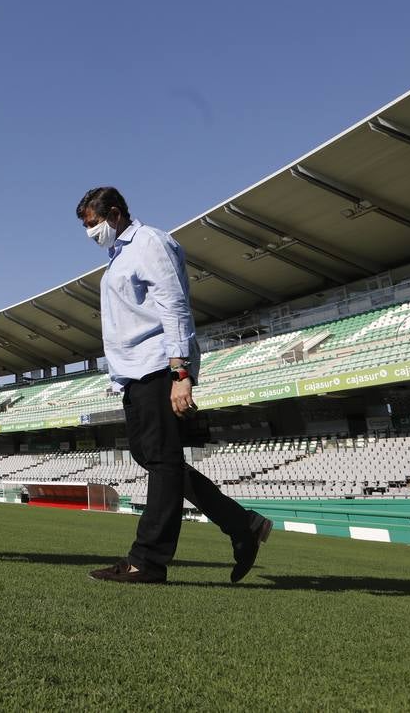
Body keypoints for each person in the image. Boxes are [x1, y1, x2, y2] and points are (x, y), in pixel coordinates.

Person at [76, 186, 271, 584]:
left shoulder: (150, 243)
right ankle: (242, 524)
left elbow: (174, 304)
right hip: (134, 373)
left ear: (114, 214)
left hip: (160, 366)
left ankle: (147, 560)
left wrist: (180, 373)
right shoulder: (119, 256)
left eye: (93, 224)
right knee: (153, 458)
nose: (90, 234)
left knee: (162, 461)